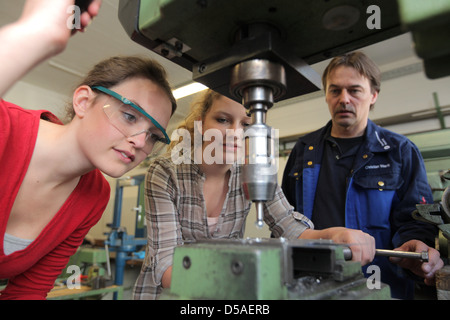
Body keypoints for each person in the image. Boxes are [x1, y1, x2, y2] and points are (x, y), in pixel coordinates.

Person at [0, 0, 177, 299]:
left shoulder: (95, 196)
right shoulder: (7, 129)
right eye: (129, 116)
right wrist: (34, 34)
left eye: (153, 136)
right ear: (83, 101)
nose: (139, 142)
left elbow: (27, 292)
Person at [133, 89, 377, 300]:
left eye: (246, 125)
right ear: (201, 124)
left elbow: (290, 227)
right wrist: (246, 279)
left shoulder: (256, 170)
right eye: (222, 120)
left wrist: (335, 234)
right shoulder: (166, 172)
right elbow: (166, 266)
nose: (234, 133)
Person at [281, 51, 444, 299]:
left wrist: (417, 245)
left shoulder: (400, 151)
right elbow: (285, 222)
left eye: (354, 90)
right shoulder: (304, 150)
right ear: (326, 95)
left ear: (373, 95)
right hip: (310, 287)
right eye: (335, 90)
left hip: (382, 286)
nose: (343, 99)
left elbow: (414, 221)